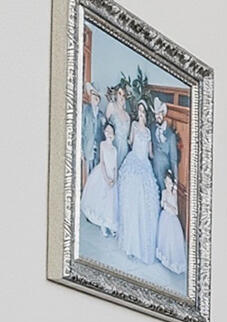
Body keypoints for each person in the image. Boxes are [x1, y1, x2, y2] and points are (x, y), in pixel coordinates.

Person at [116, 100, 159, 270]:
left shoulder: (148, 132)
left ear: (146, 114)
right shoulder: (134, 125)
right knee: (131, 201)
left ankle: (143, 243)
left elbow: (149, 152)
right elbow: (131, 142)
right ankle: (130, 243)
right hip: (134, 161)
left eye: (143, 111)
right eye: (139, 111)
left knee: (146, 202)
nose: (141, 114)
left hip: (144, 164)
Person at [79, 124, 121, 258]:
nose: (109, 133)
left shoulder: (115, 149)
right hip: (103, 174)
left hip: (112, 176)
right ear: (104, 133)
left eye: (111, 132)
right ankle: (103, 224)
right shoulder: (103, 145)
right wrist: (106, 178)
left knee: (111, 202)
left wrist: (113, 179)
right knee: (101, 200)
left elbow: (114, 166)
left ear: (114, 135)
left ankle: (110, 223)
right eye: (107, 131)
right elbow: (103, 163)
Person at [152, 166, 189, 281]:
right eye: (166, 182)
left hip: (172, 219)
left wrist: (167, 205)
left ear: (173, 183)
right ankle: (164, 258)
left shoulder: (173, 195)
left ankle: (173, 261)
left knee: (172, 241)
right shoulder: (164, 192)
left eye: (170, 183)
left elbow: (175, 211)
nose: (168, 185)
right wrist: (164, 204)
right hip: (165, 218)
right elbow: (162, 204)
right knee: (164, 239)